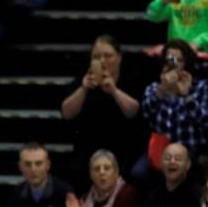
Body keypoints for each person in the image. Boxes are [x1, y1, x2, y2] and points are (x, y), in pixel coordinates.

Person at [60, 34, 146, 178]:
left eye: (108, 56)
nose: (102, 61)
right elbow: (67, 113)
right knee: (76, 169)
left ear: (119, 58)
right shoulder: (83, 81)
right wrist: (83, 89)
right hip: (89, 149)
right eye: (96, 56)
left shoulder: (132, 78)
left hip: (124, 148)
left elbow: (133, 111)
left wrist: (114, 91)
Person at [139, 40, 208, 160]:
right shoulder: (154, 88)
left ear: (187, 62)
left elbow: (206, 122)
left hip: (191, 149)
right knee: (138, 173)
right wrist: (161, 91)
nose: (174, 65)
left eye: (179, 60)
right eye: (171, 60)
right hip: (160, 150)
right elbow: (145, 114)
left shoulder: (203, 86)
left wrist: (187, 96)